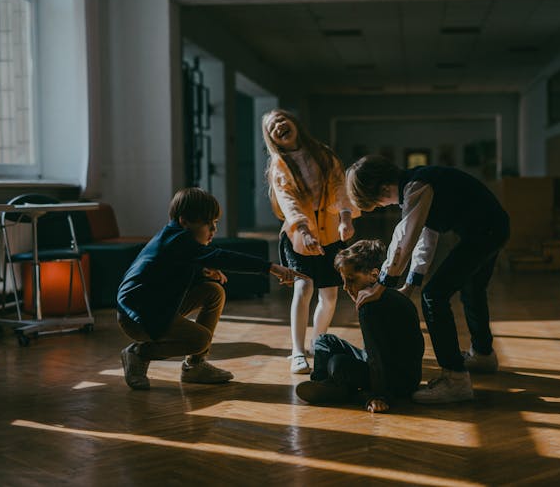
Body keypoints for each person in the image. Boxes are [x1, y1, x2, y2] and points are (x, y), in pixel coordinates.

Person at [346, 155, 510, 404]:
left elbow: (405, 238)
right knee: (472, 289)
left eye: (379, 204)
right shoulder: (419, 183)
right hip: (492, 228)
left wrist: (383, 285)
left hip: (485, 232)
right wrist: (410, 284)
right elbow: (426, 238)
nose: (384, 206)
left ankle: (455, 379)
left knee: (434, 296)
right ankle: (483, 355)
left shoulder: (416, 186)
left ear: (382, 189)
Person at [117, 187, 306, 390]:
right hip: (138, 317)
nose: (213, 230)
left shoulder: (175, 237)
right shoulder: (178, 241)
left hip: (156, 306)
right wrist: (270, 267)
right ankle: (138, 354)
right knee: (200, 339)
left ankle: (194, 367)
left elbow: (167, 272)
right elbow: (221, 256)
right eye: (208, 224)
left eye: (214, 223)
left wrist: (201, 272)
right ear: (184, 222)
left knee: (213, 292)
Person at [262, 109, 359, 374]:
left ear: (294, 123)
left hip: (329, 233)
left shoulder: (323, 154)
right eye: (272, 127)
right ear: (272, 139)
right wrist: (303, 230)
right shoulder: (279, 165)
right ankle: (297, 350)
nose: (279, 126)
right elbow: (288, 202)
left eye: (282, 120)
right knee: (303, 287)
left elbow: (340, 187)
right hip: (298, 234)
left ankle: (319, 343)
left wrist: (346, 218)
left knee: (329, 295)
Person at [295, 239, 423, 413]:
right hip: (396, 370)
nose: (347, 288)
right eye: (344, 281)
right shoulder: (389, 295)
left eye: (351, 280)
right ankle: (324, 385)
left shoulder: (369, 307)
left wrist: (377, 396)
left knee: (337, 363)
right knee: (324, 340)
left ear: (374, 275)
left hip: (396, 380)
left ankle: (339, 389)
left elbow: (375, 355)